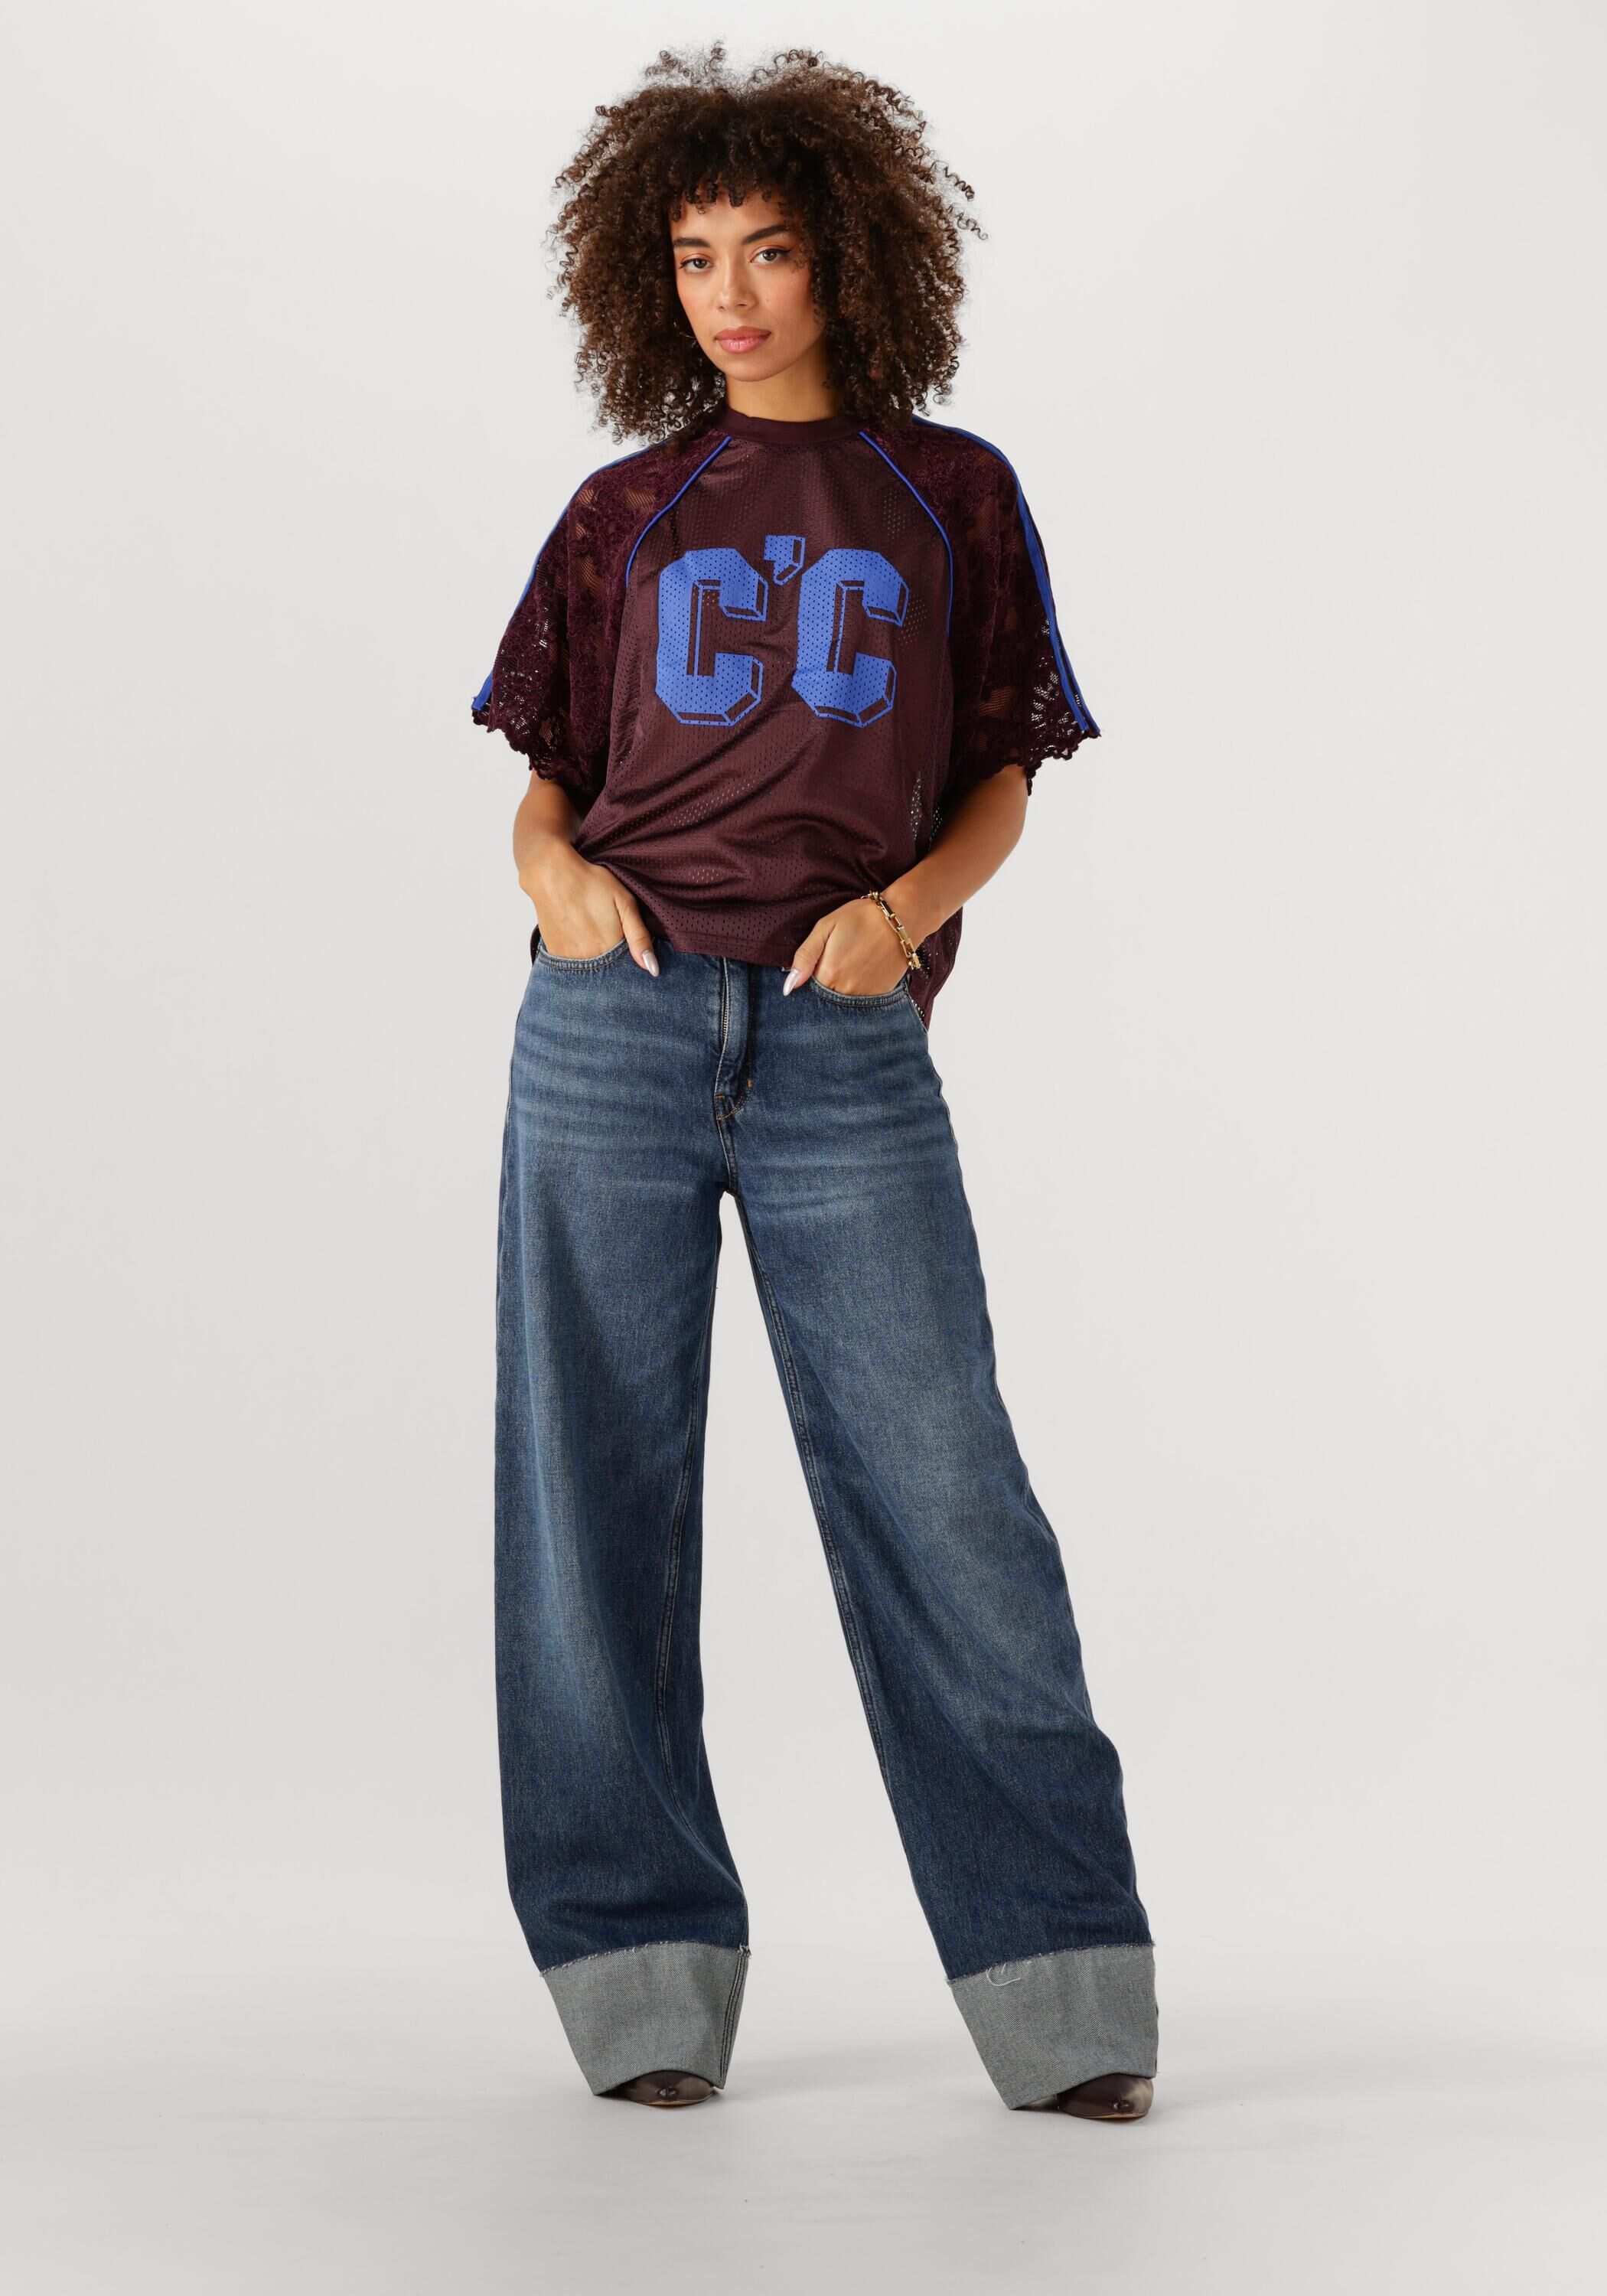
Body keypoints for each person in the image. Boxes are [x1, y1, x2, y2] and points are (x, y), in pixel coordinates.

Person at [471, 43, 1158, 2123]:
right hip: (607, 1027)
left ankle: (1062, 1994)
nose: (732, 297)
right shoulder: (621, 511)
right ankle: (638, 1986)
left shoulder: (952, 492)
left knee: (945, 1497)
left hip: (844, 1040)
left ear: (848, 256)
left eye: (767, 251)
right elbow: (547, 781)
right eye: (694, 259)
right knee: (589, 1503)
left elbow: (1002, 772)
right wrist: (549, 877)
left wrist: (906, 913)